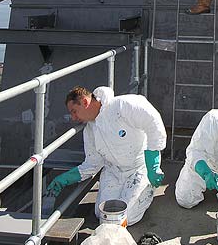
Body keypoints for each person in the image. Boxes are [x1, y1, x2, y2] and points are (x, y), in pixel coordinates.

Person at [46, 86, 167, 225]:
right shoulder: (90, 130)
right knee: (103, 214)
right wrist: (65, 179)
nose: (73, 118)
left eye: (74, 111)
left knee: (126, 216)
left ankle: (147, 189)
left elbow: (153, 123)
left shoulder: (122, 106)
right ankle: (132, 193)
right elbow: (93, 163)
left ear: (85, 102)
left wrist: (153, 165)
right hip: (113, 171)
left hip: (138, 168)